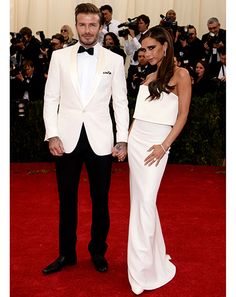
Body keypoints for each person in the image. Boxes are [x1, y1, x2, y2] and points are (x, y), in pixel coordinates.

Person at [42, 3, 129, 275]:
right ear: (75, 25)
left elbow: (121, 102)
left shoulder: (114, 59)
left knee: (100, 201)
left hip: (100, 139)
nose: (88, 30)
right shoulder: (59, 57)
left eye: (93, 25)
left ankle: (97, 251)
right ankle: (66, 254)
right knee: (66, 199)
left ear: (100, 27)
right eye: (82, 25)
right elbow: (50, 98)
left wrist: (122, 138)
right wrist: (52, 134)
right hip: (66, 138)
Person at [127, 26, 191, 295]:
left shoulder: (182, 75)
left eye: (152, 47)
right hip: (137, 143)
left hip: (157, 146)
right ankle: (149, 262)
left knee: (146, 202)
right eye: (144, 48)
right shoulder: (149, 76)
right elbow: (137, 116)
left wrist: (164, 147)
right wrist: (127, 141)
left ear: (166, 45)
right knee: (141, 204)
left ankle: (141, 270)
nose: (147, 53)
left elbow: (182, 117)